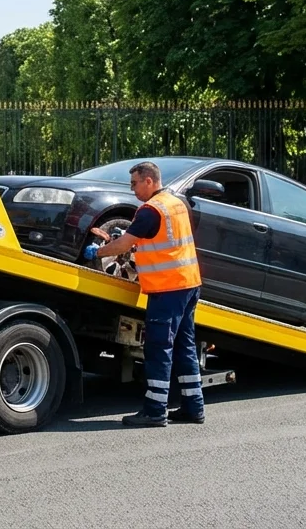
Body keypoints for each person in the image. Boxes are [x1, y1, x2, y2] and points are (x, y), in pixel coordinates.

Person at [83, 161, 205, 426]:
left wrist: (99, 251)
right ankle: (194, 407)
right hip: (188, 284)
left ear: (149, 181)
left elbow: (126, 243)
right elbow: (160, 243)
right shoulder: (175, 203)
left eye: (135, 183)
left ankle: (155, 410)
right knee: (184, 346)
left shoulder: (150, 210)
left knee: (158, 348)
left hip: (167, 288)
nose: (133, 189)